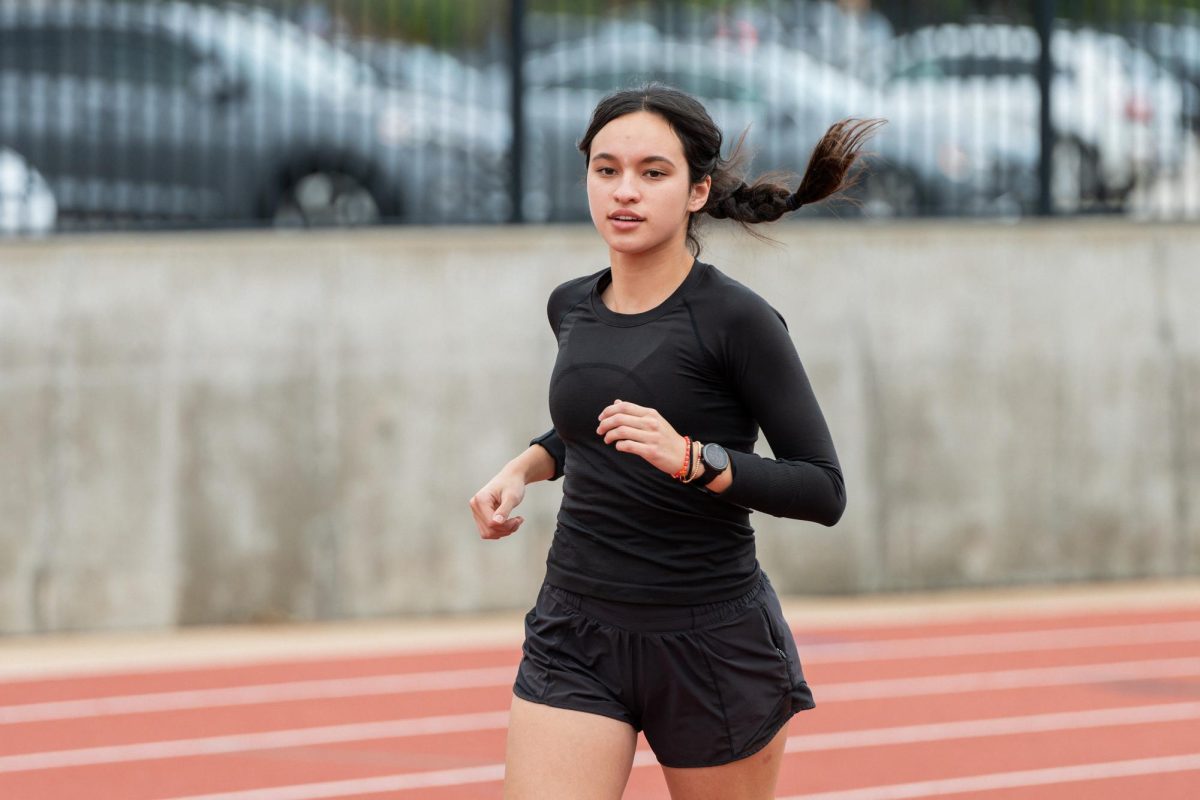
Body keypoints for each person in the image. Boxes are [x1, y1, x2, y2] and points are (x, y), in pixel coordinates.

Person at [469, 83, 881, 800]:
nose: (625, 192)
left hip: (709, 642)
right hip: (576, 628)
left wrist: (696, 460)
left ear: (697, 191)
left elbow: (824, 488)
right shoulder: (570, 304)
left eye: (652, 173)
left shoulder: (736, 321)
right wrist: (527, 464)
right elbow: (595, 425)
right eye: (607, 170)